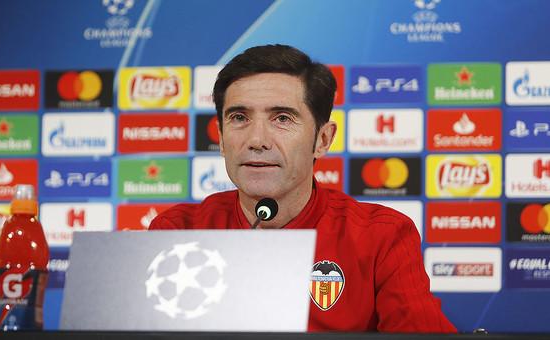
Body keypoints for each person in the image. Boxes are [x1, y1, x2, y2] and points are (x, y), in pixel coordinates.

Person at [150, 44, 456, 333]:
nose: (257, 140)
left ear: (322, 140)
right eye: (239, 118)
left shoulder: (382, 236)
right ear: (220, 136)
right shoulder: (176, 232)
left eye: (282, 118)